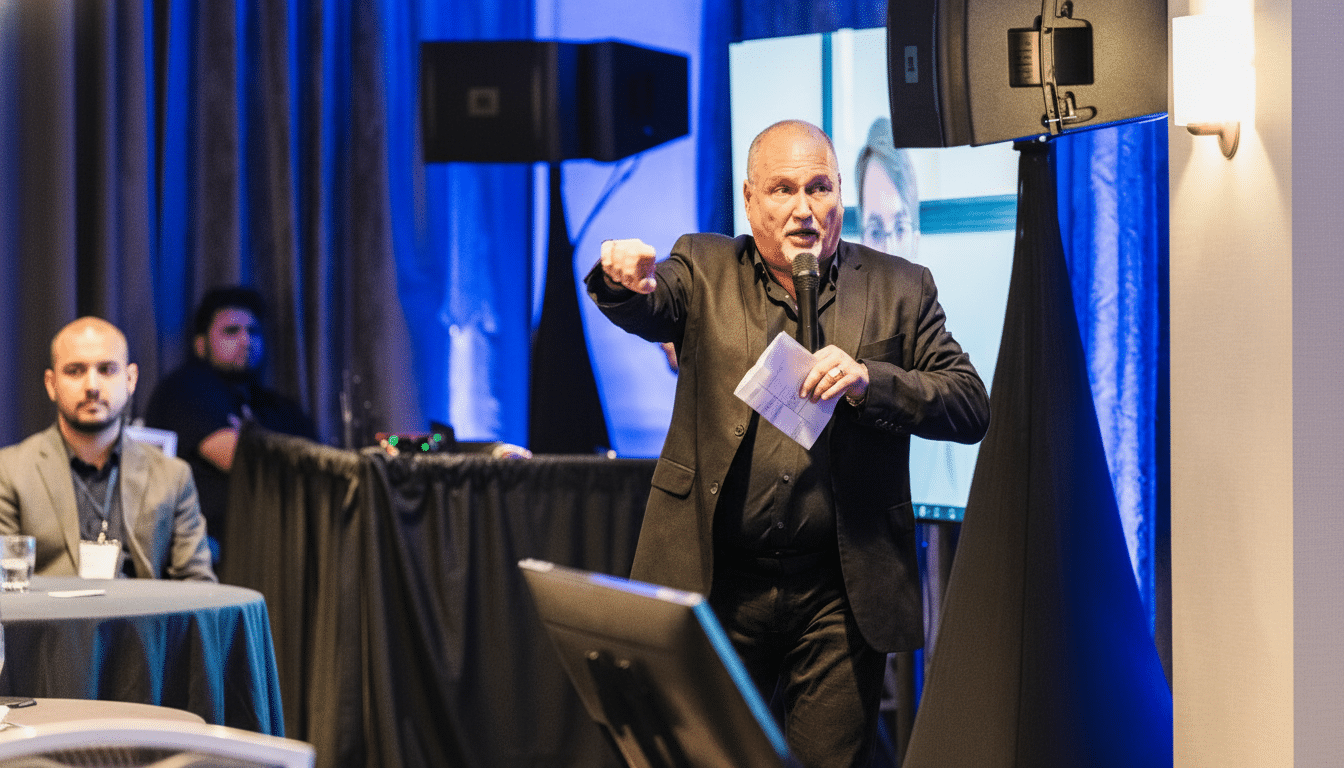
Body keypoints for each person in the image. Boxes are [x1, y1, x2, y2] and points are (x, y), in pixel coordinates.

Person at [586, 119, 989, 767]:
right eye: (782, 189)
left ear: (839, 196)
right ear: (750, 200)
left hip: (839, 593)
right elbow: (649, 305)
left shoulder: (900, 287)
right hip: (719, 582)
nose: (804, 208)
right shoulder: (705, 268)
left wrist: (872, 380)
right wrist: (622, 279)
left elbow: (969, 404)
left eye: (819, 187)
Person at [0, 317, 216, 581]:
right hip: (50, 609)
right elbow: (5, 586)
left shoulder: (172, 476)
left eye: (106, 370)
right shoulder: (10, 472)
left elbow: (198, 585)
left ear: (130, 379)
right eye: (75, 371)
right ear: (51, 384)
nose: (92, 386)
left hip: (143, 608)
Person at [145, 287, 316, 560]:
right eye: (231, 331)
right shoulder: (187, 388)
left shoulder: (278, 406)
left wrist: (256, 441)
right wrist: (271, 448)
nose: (246, 340)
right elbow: (243, 461)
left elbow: (318, 466)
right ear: (201, 344)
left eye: (253, 331)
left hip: (281, 543)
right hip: (209, 550)